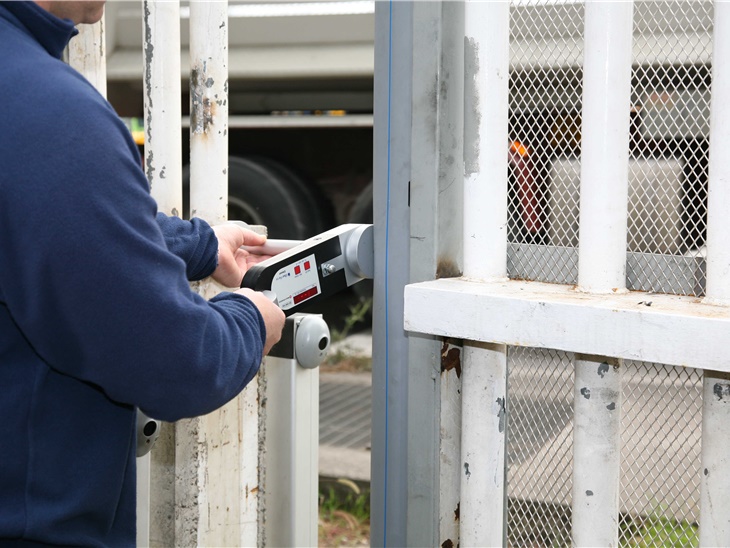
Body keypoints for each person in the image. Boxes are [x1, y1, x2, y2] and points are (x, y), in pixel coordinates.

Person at [0, 1, 286, 545]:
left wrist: (199, 243)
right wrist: (251, 318)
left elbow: (46, 220)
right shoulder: (45, 111)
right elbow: (174, 360)